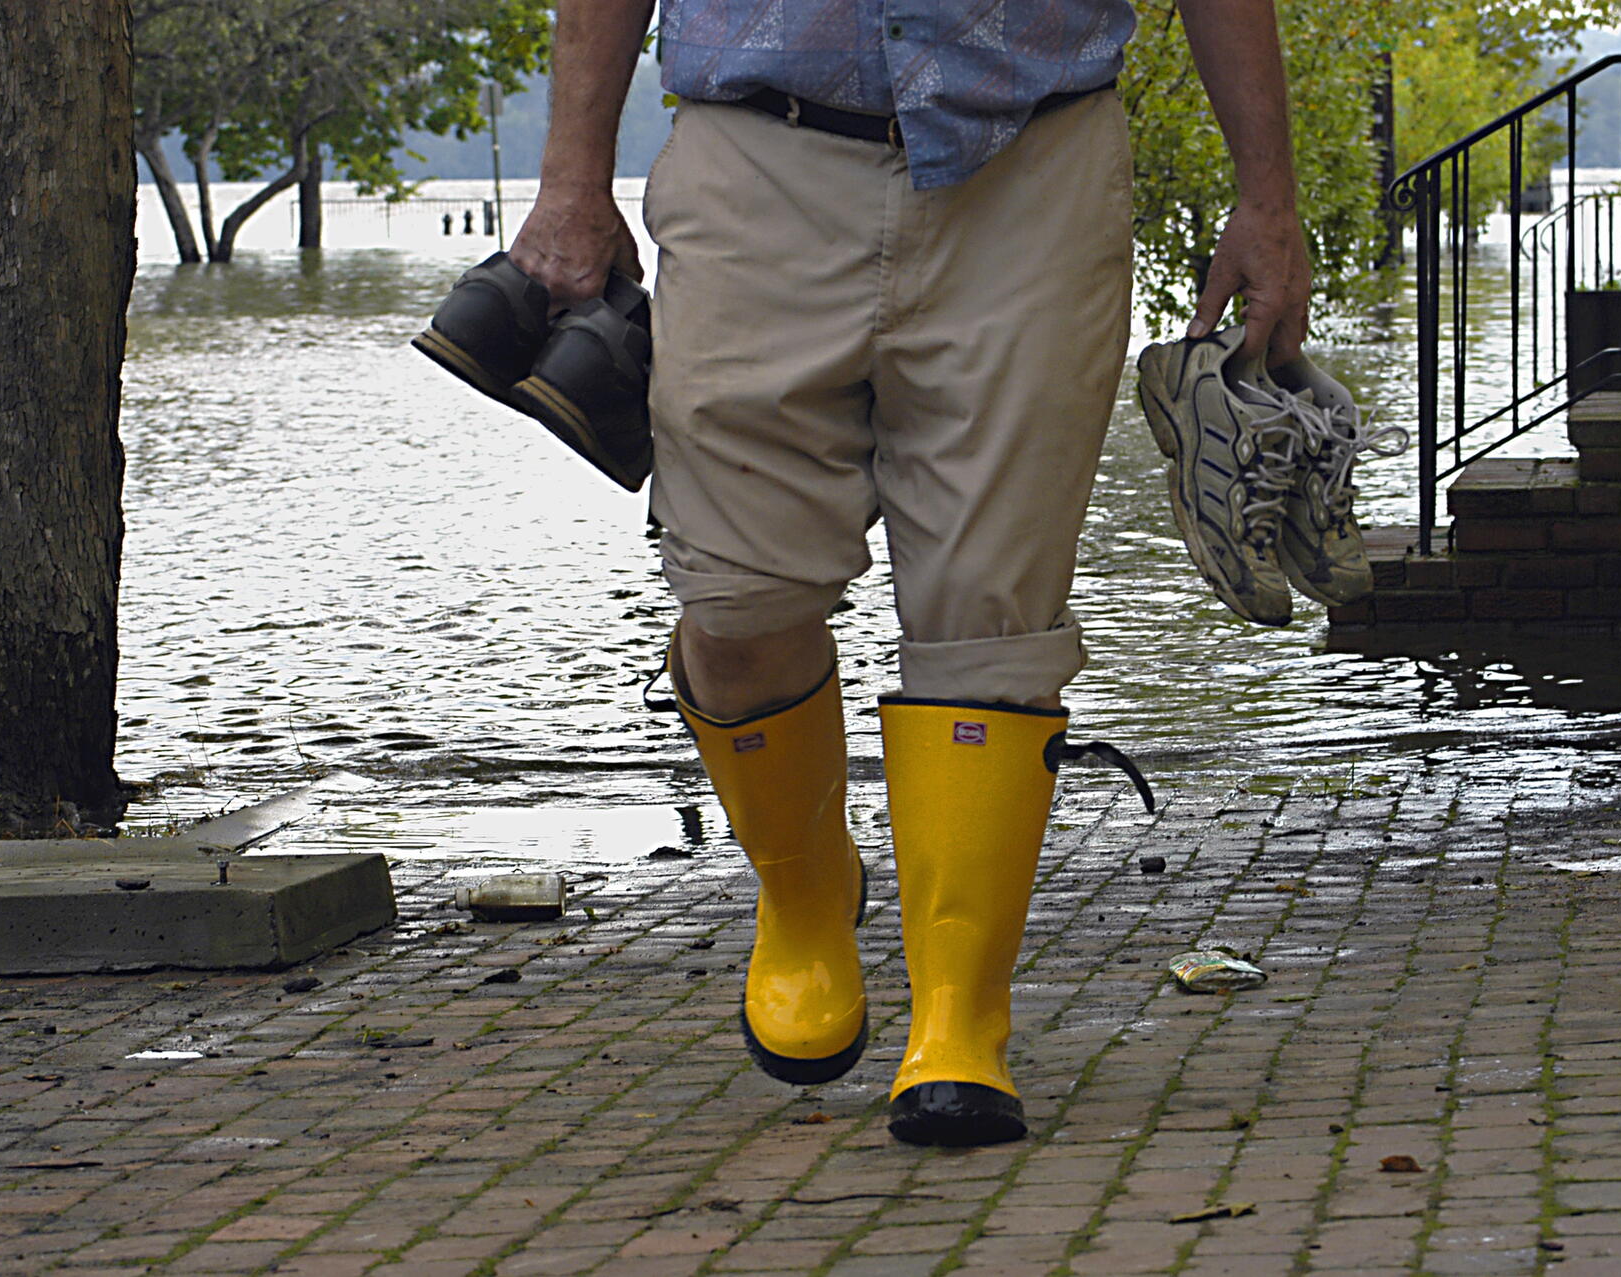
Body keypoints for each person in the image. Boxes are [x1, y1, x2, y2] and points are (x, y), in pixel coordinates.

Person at [509, 0, 1312, 1148]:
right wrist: (571, 178)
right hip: (757, 155)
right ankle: (804, 887)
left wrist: (1267, 201)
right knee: (735, 600)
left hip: (1037, 160)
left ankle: (959, 1016)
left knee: (992, 612)